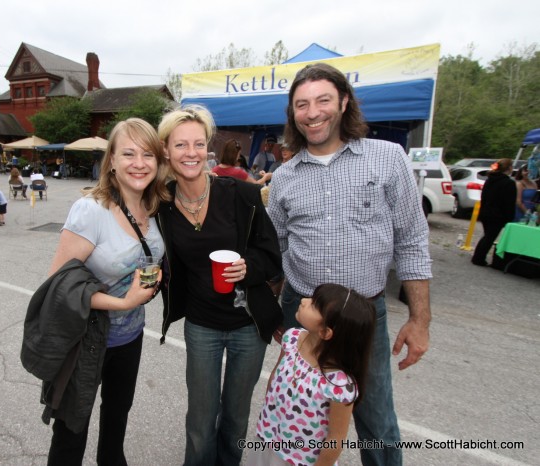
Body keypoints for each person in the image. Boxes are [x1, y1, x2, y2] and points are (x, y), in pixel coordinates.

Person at [268, 63, 432, 466]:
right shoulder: (285, 177)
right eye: (302, 104)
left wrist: (420, 321)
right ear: (293, 113)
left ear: (343, 101)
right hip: (301, 311)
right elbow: (275, 249)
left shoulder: (388, 159)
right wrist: (272, 307)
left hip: (364, 316)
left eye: (323, 100)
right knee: (296, 409)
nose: (313, 112)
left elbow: (412, 240)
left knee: (376, 419)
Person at [157, 105, 283, 466]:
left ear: (208, 147)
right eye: (181, 145)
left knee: (235, 416)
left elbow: (272, 254)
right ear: (166, 149)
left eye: (198, 144)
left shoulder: (241, 194)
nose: (191, 153)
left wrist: (249, 267)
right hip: (201, 325)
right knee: (200, 418)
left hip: (247, 325)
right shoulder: (162, 205)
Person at [44, 118, 169, 465]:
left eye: (148, 154)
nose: (139, 163)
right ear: (111, 160)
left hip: (130, 336)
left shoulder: (156, 208)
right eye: (128, 153)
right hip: (86, 339)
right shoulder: (91, 210)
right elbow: (58, 283)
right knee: (72, 431)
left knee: (117, 417)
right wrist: (123, 300)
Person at [248, 284, 376, 466]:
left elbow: (336, 437)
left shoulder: (339, 385)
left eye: (315, 305)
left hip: (301, 460)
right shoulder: (291, 339)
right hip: (268, 439)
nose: (304, 301)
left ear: (325, 332)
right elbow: (275, 378)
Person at [471, 159, 517, 266]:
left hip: (486, 211)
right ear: (509, 168)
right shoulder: (509, 183)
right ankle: (478, 258)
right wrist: (509, 217)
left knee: (487, 235)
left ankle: (478, 256)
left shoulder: (490, 180)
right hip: (498, 215)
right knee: (489, 237)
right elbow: (509, 202)